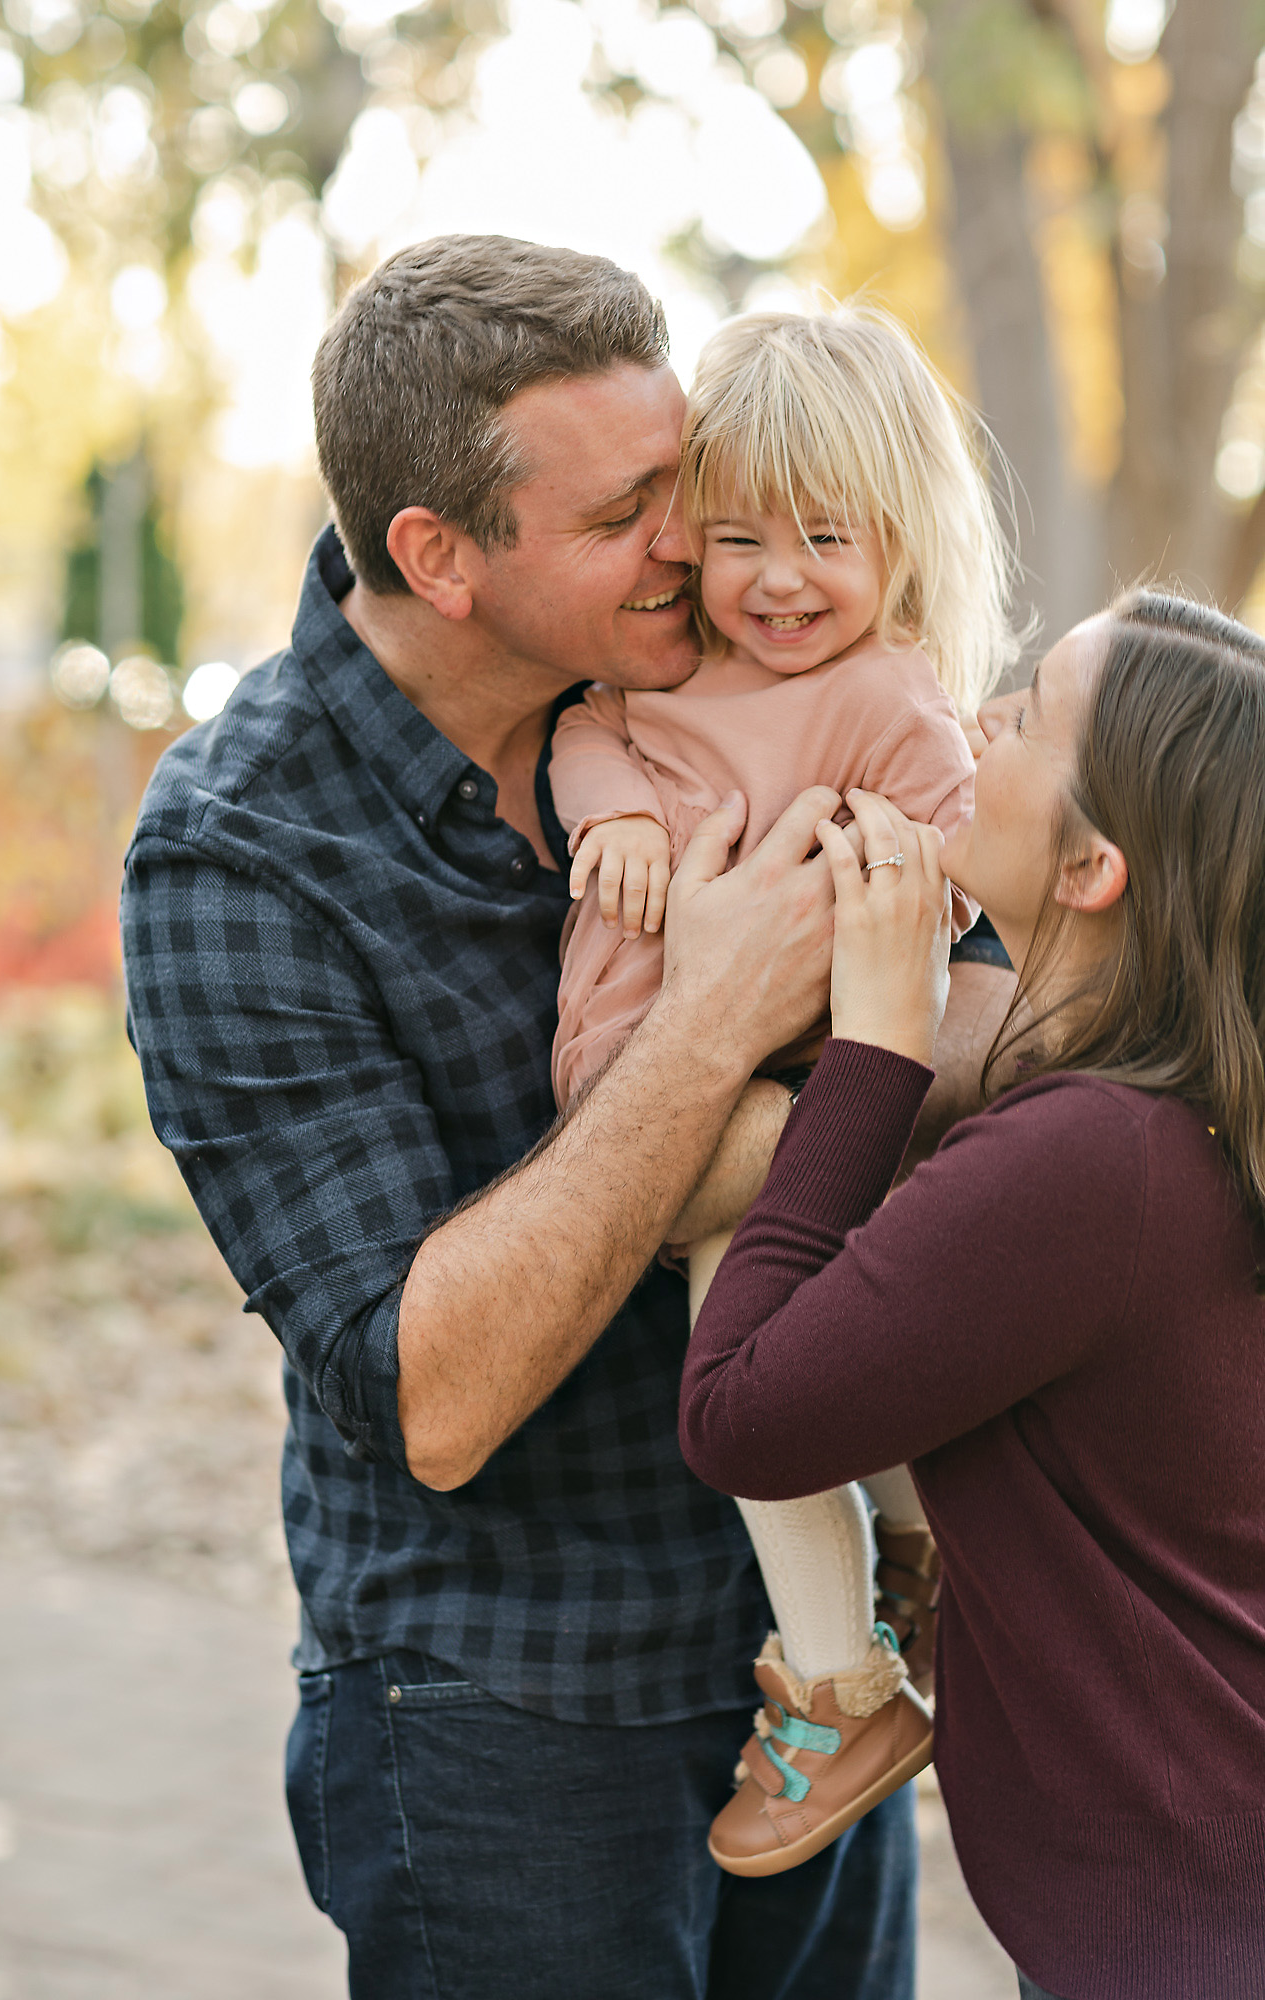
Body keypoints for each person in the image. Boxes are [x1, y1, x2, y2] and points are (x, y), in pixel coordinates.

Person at [120, 234, 1011, 2000]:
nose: (694, 541)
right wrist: (721, 1017)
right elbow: (431, 1399)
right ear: (440, 558)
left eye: (683, 479)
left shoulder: (738, 692)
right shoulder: (245, 853)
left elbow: (987, 1014)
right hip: (506, 1712)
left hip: (806, 1668)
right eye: (625, 515)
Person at [680, 590, 1265, 2000]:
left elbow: (738, 1415)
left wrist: (877, 1050)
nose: (979, 717)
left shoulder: (1090, 1161)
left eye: (1030, 714)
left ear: (1092, 867)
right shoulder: (1177, 1117)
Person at [548, 305, 1022, 1874]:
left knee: (747, 1377)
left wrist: (883, 883)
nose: (778, 579)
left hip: (769, 1108)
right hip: (647, 1090)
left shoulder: (883, 695)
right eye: (740, 538)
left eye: (826, 538)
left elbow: (964, 851)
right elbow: (588, 734)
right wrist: (615, 816)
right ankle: (912, 1557)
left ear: (897, 542)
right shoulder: (674, 669)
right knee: (809, 1374)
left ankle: (840, 1685)